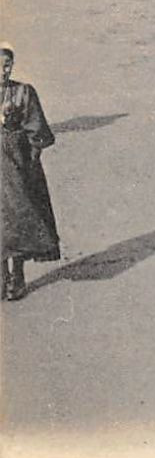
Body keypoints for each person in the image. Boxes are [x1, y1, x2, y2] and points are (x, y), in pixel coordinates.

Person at [1, 44, 58, 302]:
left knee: (21, 218)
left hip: (17, 163)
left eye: (7, 65)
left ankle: (19, 276)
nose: (3, 71)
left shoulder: (23, 92)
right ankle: (2, 278)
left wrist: (31, 161)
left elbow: (37, 129)